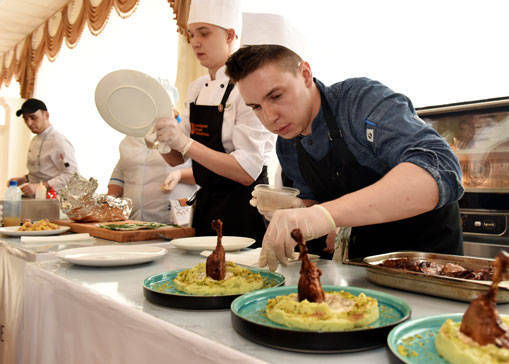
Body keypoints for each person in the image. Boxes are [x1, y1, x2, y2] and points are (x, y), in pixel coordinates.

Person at [225, 13, 464, 270]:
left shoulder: (360, 103)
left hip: (429, 264)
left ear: (305, 74)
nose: (270, 117)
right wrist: (298, 210)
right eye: (256, 107)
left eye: (276, 96)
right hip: (366, 272)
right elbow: (317, 206)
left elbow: (440, 169)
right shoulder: (288, 144)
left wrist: (323, 215)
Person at [154, 0, 275, 244]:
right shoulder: (196, 88)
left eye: (204, 33)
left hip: (243, 209)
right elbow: (176, 159)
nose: (195, 42)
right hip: (205, 208)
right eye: (191, 34)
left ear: (230, 35)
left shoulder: (247, 87)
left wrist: (185, 143)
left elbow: (246, 171)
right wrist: (161, 139)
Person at [107, 135, 197, 224]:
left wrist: (180, 175)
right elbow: (120, 173)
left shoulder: (183, 135)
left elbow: (206, 172)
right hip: (133, 220)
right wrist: (108, 205)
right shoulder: (127, 142)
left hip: (172, 218)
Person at [7, 98, 78, 197]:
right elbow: (43, 171)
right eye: (25, 119)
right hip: (35, 197)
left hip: (53, 198)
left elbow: (71, 175)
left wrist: (40, 186)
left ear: (46, 115)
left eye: (33, 118)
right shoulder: (34, 139)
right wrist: (24, 179)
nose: (29, 123)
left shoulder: (59, 141)